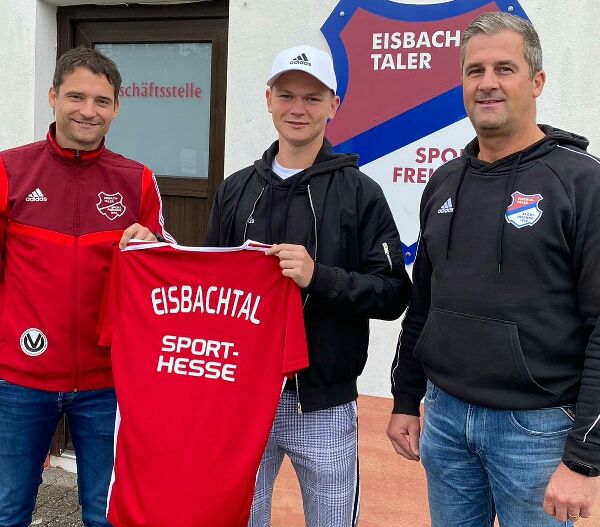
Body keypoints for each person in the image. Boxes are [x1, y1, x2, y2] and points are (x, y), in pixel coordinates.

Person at [387, 12, 600, 527]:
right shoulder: (443, 182)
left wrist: (584, 457)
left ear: (537, 81)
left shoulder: (580, 183)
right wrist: (405, 397)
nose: (487, 83)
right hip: (445, 419)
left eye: (505, 68)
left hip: (538, 430)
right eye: (474, 70)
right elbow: (425, 302)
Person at [204, 44, 411, 526]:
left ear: (334, 106)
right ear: (268, 99)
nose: (298, 109)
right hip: (244, 396)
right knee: (236, 516)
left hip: (324, 400)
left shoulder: (361, 193)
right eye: (287, 95)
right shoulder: (236, 189)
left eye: (313, 98)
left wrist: (321, 277)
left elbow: (393, 293)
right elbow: (208, 289)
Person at [0, 46, 172, 527]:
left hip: (107, 383)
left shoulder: (136, 179)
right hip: (19, 378)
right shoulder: (9, 171)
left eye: (101, 101)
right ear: (52, 96)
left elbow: (162, 277)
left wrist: (154, 243)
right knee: (7, 509)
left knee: (107, 513)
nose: (87, 111)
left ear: (117, 107)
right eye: (75, 96)